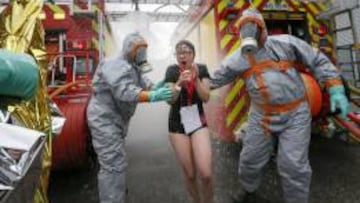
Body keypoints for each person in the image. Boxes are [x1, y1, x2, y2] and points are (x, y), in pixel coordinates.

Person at [209, 8, 349, 203]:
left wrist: (335, 87)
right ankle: (249, 192)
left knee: (292, 165)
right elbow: (213, 80)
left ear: (264, 30)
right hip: (262, 117)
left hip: (296, 114)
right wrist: (186, 86)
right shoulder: (238, 58)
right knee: (250, 161)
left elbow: (316, 59)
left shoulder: (287, 43)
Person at [87, 32, 173, 203]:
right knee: (113, 165)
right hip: (105, 120)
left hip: (116, 120)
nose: (142, 53)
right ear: (128, 48)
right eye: (139, 49)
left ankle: (116, 195)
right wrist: (153, 96)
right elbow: (125, 91)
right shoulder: (114, 64)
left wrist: (158, 85)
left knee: (116, 162)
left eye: (144, 49)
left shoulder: (133, 66)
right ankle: (112, 199)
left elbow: (144, 83)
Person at [164, 40, 214, 203]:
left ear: (193, 55)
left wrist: (196, 78)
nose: (182, 55)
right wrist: (179, 82)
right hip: (177, 125)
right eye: (179, 52)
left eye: (186, 52)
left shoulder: (202, 68)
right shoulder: (172, 70)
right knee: (190, 173)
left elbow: (206, 97)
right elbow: (170, 101)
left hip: (198, 122)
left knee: (206, 173)